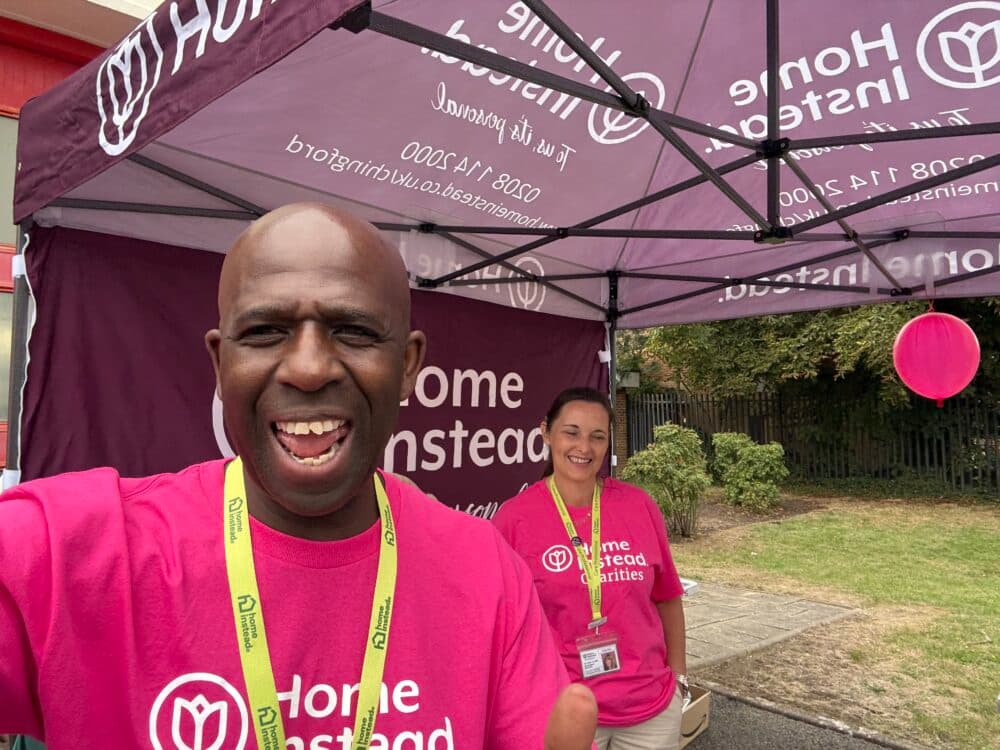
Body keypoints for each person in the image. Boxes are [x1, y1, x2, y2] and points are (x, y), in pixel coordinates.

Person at [0, 203, 597, 749]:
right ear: (219, 360)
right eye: (264, 331)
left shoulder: (486, 572)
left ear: (408, 364)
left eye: (355, 331)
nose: (309, 368)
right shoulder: (73, 551)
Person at [494, 387, 688, 750]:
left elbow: (667, 597)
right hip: (561, 709)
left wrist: (679, 677)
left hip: (651, 709)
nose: (584, 447)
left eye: (597, 436)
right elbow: (501, 624)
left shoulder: (638, 505)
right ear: (546, 433)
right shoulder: (514, 519)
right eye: (572, 432)